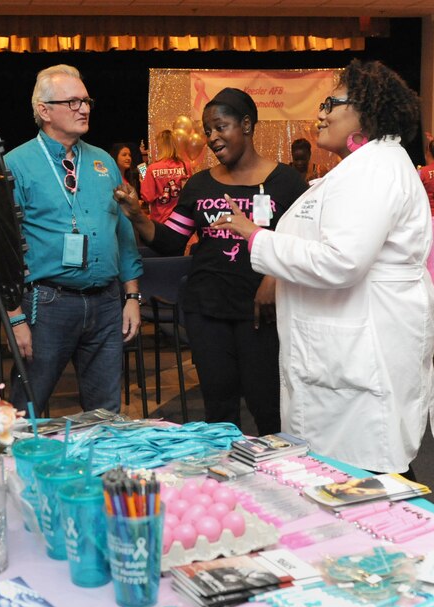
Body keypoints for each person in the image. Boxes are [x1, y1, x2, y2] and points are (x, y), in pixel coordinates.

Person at [215, 59, 434, 477]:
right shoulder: (361, 168)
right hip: (345, 340)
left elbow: (342, 261)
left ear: (365, 111)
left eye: (330, 102)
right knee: (348, 471)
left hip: (362, 344)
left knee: (370, 472)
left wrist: (256, 237)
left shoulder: (376, 169)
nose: (319, 113)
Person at [115, 88, 308, 435]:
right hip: (207, 310)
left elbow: (304, 243)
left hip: (260, 313)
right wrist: (137, 218)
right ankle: (225, 482)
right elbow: (171, 239)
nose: (212, 138)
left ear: (247, 125)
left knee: (268, 406)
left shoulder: (287, 182)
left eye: (221, 127)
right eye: (208, 130)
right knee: (219, 409)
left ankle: (276, 479)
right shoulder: (200, 185)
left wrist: (274, 278)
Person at [4, 64, 143, 417]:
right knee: (26, 410)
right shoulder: (15, 165)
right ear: (44, 110)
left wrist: (131, 296)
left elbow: (123, 232)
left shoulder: (103, 162)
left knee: (106, 413)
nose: (84, 108)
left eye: (86, 100)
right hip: (48, 304)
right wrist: (14, 318)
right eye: (72, 101)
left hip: (107, 304)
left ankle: (104, 473)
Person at [140, 129, 192, 224]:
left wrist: (143, 183)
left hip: (161, 220)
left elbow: (148, 197)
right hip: (182, 219)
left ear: (160, 146)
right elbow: (190, 194)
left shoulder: (153, 168)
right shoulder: (185, 165)